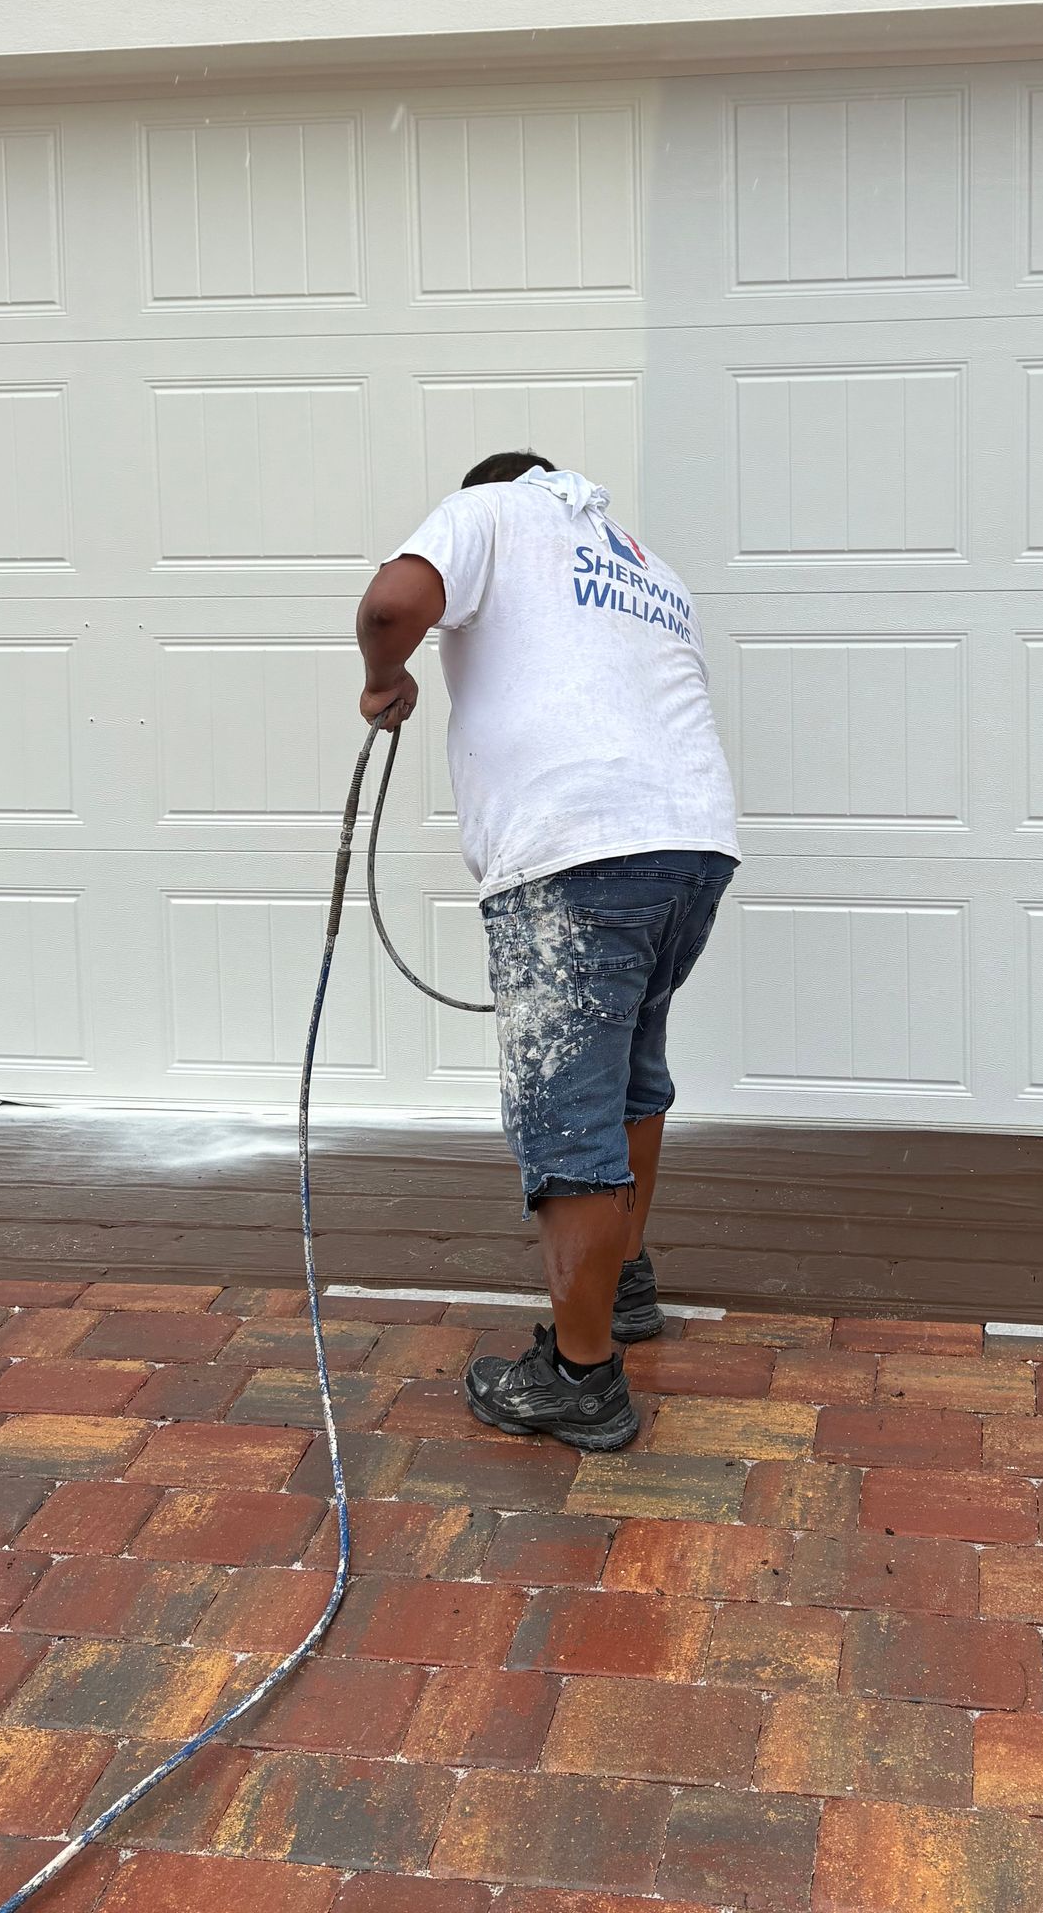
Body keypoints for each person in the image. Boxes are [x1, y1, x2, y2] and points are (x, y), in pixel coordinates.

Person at [355, 452, 738, 1451]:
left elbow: (393, 601)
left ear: (498, 485)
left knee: (565, 1113)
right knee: (628, 1080)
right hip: (690, 842)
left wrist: (386, 674)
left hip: (576, 849)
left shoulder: (490, 510)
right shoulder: (643, 561)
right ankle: (625, 1288)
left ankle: (581, 1377)